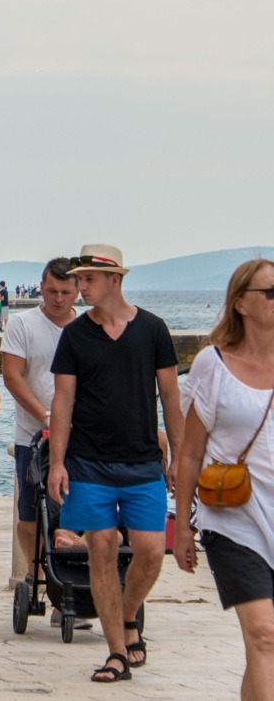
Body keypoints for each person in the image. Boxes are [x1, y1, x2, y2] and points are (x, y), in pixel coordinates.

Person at [47, 244, 183, 684]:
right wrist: (56, 463)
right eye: (77, 279)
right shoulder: (75, 336)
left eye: (86, 280)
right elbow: (62, 402)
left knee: (149, 553)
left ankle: (125, 618)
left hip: (143, 461)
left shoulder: (153, 329)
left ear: (114, 281)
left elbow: (171, 399)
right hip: (88, 463)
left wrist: (179, 456)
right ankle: (116, 653)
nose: (78, 287)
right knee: (101, 550)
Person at [176, 258, 274, 700]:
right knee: (264, 635)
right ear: (241, 304)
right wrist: (181, 527)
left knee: (266, 650)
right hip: (233, 518)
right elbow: (191, 451)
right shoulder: (212, 365)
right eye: (269, 293)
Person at [0, 257, 80, 621]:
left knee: (75, 509)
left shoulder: (86, 327)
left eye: (66, 292)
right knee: (31, 510)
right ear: (41, 288)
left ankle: (74, 579)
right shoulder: (23, 323)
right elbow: (13, 376)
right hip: (32, 434)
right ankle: (37, 574)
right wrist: (46, 415)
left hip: (82, 436)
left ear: (78, 290)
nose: (58, 299)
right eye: (51, 291)